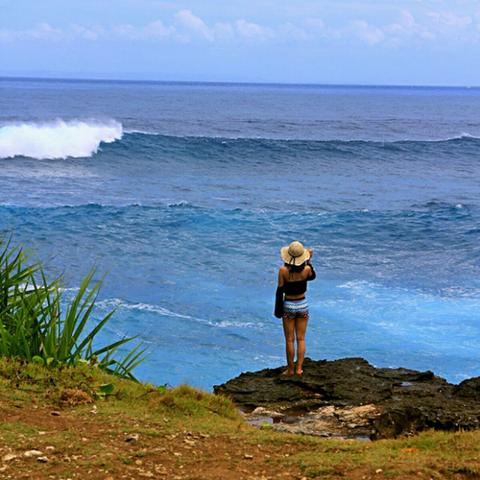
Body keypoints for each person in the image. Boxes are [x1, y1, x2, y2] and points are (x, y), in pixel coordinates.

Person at [274, 240, 316, 376]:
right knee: (301, 338)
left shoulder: (283, 271)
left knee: (289, 339)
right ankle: (299, 369)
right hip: (303, 304)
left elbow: (280, 290)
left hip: (289, 305)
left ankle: (290, 370)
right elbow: (312, 277)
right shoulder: (307, 269)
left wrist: (278, 310)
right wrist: (308, 261)